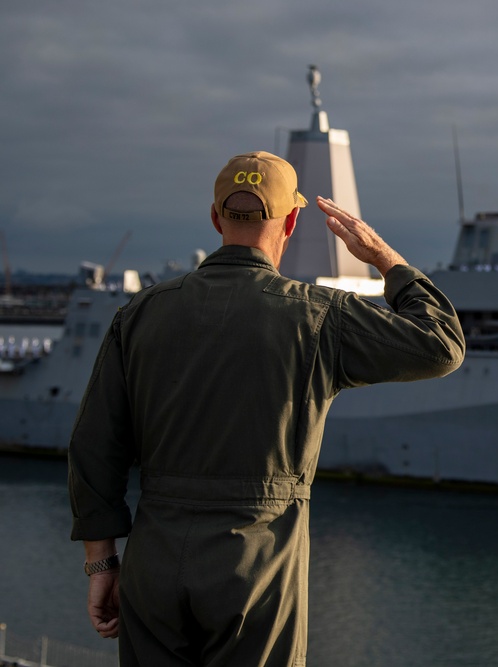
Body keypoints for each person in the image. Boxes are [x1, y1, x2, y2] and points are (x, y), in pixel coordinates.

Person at [68, 151, 466, 665]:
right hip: (255, 568)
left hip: (154, 566)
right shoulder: (319, 315)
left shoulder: (141, 312)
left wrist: (101, 566)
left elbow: (94, 444)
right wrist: (384, 258)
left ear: (215, 219)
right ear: (293, 221)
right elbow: (442, 344)